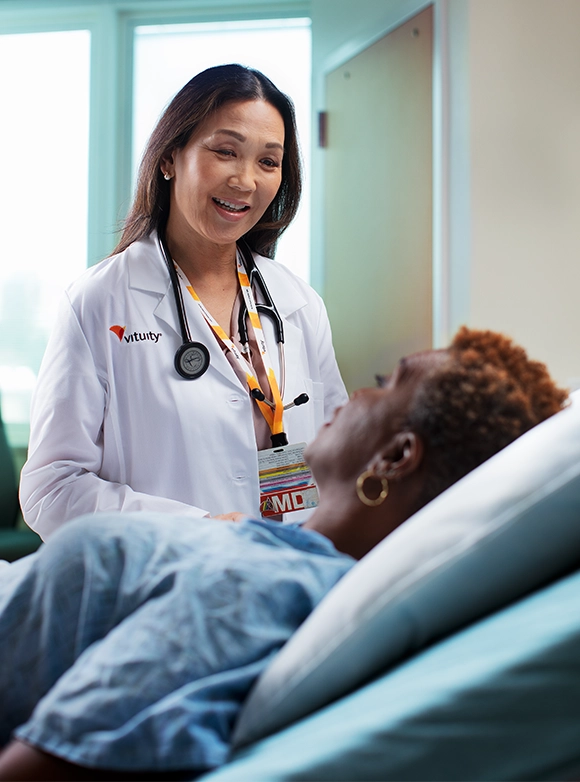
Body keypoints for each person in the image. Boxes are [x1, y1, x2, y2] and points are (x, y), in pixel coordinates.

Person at [0, 328, 568, 781]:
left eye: (383, 382)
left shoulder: (258, 589)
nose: (355, 394)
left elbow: (48, 766)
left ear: (396, 456)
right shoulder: (272, 560)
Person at [19, 64, 347, 539]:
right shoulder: (100, 301)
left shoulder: (297, 303)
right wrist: (199, 530)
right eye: (225, 152)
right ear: (170, 158)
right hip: (165, 580)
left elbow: (339, 456)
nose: (245, 180)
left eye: (268, 162)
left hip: (285, 577)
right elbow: (51, 489)